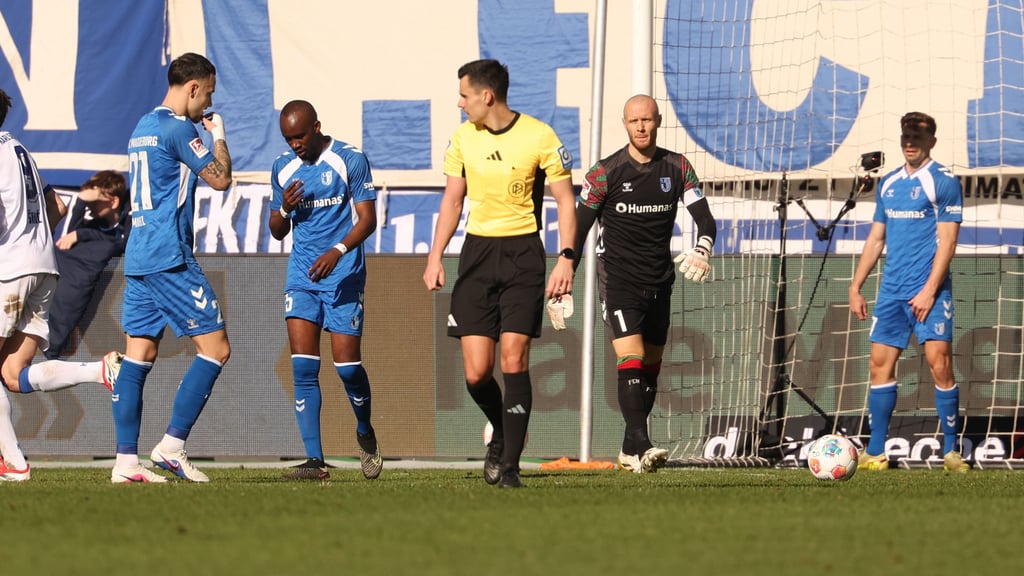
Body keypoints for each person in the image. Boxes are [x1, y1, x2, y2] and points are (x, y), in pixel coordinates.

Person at [423, 59, 577, 488]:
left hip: (523, 255)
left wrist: (566, 258)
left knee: (514, 359)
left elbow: (566, 200)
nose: (460, 103)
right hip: (476, 255)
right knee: (476, 372)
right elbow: (453, 201)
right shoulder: (462, 138)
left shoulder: (539, 135)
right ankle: (502, 430)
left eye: (464, 95)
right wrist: (435, 257)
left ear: (486, 96)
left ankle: (510, 467)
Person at [570, 94, 717, 474]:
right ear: (624, 123)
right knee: (630, 358)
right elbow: (578, 227)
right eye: (634, 120)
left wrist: (703, 246)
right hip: (618, 280)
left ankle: (628, 448)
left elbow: (705, 219)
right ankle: (644, 443)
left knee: (650, 367)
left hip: (659, 280)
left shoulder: (677, 166)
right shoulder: (604, 173)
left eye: (647, 120)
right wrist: (564, 268)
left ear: (658, 121)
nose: (641, 126)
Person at [112, 52, 233, 483]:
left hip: (139, 257)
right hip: (169, 256)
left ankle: (126, 463)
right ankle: (172, 447)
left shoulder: (142, 127)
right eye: (209, 94)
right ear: (194, 88)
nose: (208, 104)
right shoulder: (180, 128)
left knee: (138, 356)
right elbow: (220, 178)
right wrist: (219, 135)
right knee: (216, 349)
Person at [0, 89, 122, 482]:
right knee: (13, 374)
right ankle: (97, 371)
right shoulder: (20, 150)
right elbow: (57, 208)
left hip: (11, 270)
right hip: (44, 267)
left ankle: (15, 464)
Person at [267, 100, 382, 481]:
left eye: (299, 136)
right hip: (302, 276)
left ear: (316, 127)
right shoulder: (283, 169)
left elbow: (368, 220)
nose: (294, 144)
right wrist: (283, 209)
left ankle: (364, 431)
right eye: (288, 139)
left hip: (343, 272)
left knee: (347, 368)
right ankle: (315, 461)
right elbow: (276, 230)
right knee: (303, 367)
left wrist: (337, 250)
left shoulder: (349, 159)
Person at [849, 111, 967, 472]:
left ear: (932, 140)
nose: (910, 144)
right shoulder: (888, 183)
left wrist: (930, 290)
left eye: (917, 137)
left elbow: (948, 241)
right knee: (878, 365)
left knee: (939, 364)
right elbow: (876, 239)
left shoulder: (943, 181)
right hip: (892, 294)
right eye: (905, 138)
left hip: (928, 293)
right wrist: (856, 286)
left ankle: (951, 451)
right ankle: (877, 451)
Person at [45, 170, 131, 360]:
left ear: (113, 201)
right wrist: (81, 200)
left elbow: (125, 242)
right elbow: (66, 238)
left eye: (94, 202)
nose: (90, 207)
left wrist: (82, 235)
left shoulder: (131, 216)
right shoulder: (92, 223)